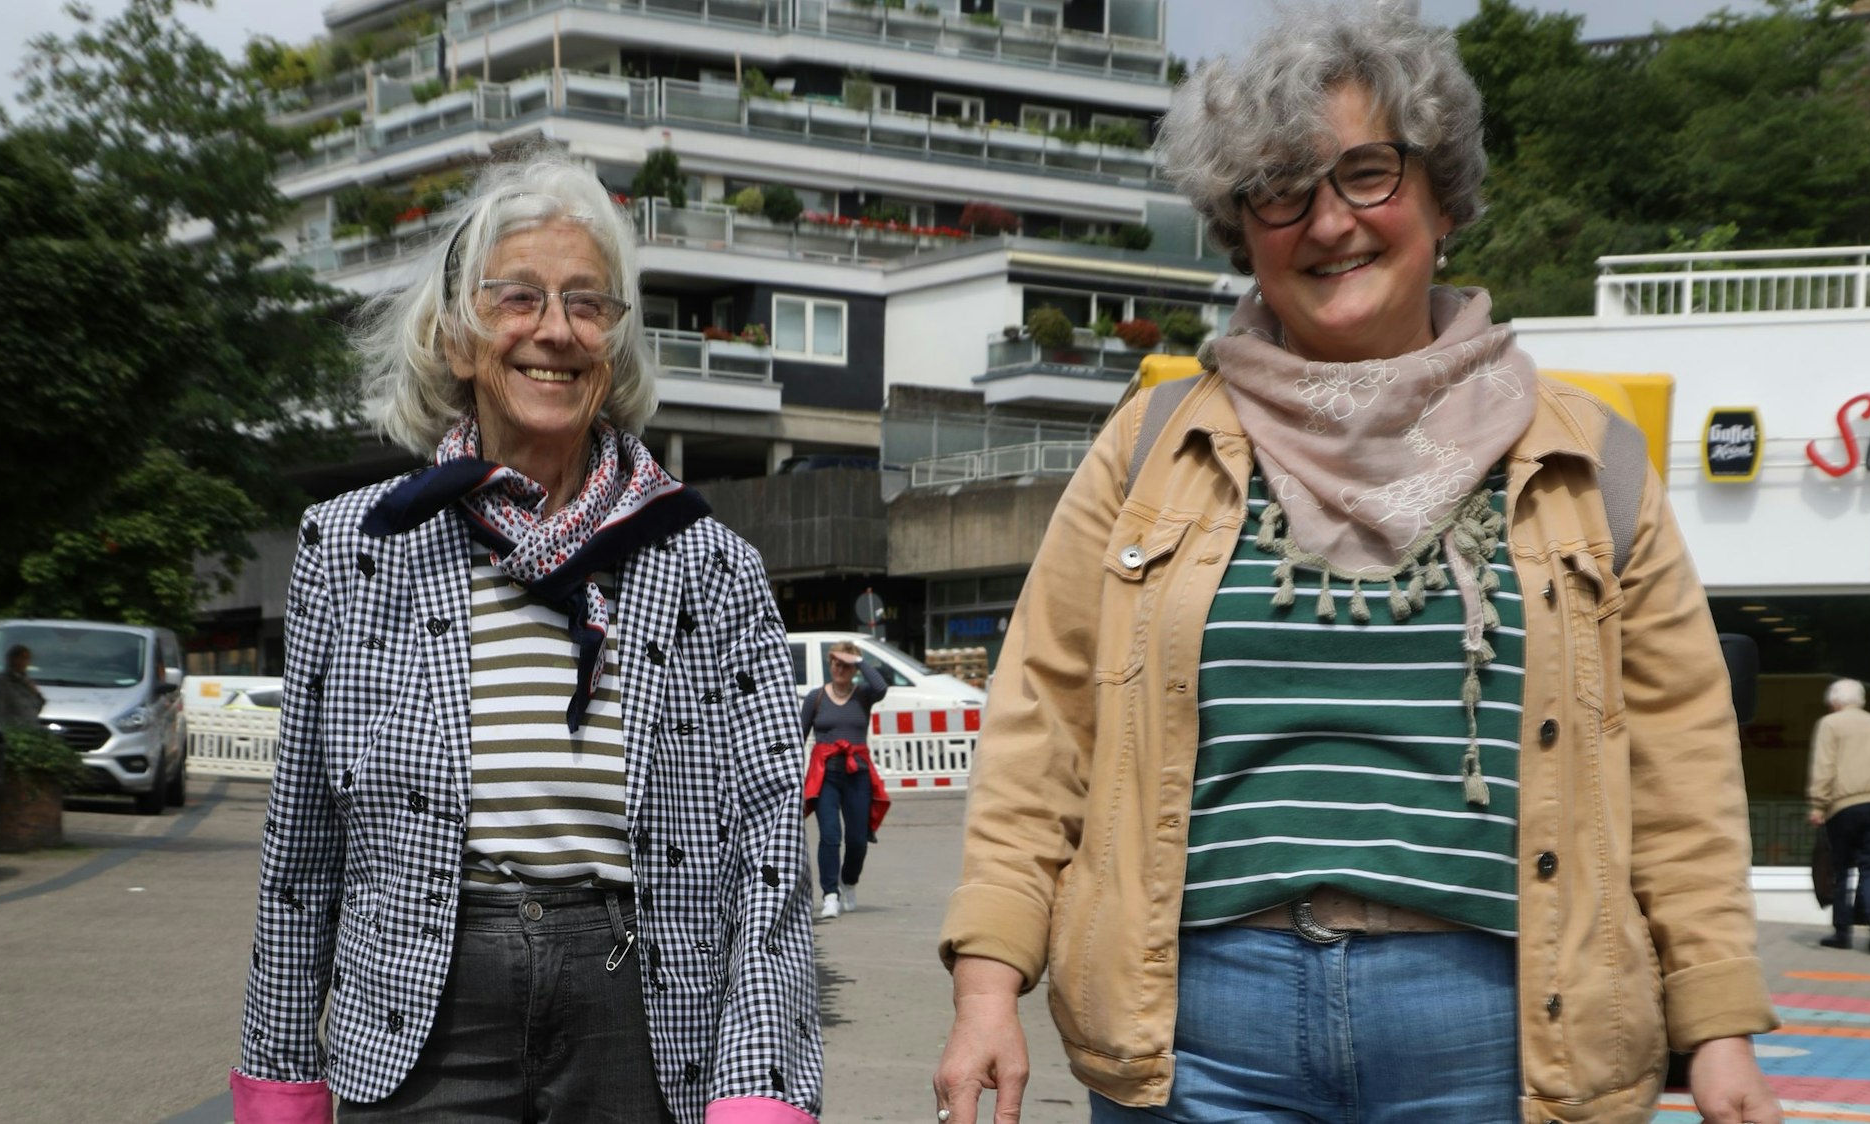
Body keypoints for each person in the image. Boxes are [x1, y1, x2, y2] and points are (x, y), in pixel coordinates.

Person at [932, 5, 1781, 1123]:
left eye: (1366, 173)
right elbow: (1041, 727)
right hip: (1199, 1033)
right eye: (1281, 189)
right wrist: (988, 985)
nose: (1329, 221)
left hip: (1499, 1031)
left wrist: (1714, 1029)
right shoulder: (1149, 446)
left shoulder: (1590, 458)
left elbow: (1681, 772)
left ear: (1442, 194)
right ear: (1245, 231)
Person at [231, 151, 822, 1124]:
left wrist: (756, 1080)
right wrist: (281, 1066)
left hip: (635, 1005)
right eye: (520, 297)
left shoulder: (707, 563)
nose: (556, 329)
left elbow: (766, 855)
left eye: (589, 304)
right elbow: (300, 851)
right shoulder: (354, 545)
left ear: (616, 346)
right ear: (460, 338)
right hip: (416, 1004)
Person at [1807, 678, 1870, 955]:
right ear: (1861, 700)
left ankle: (1842, 933)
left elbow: (1824, 766)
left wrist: (1818, 805)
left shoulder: (1831, 724)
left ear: (1834, 702)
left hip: (1844, 805)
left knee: (1841, 869)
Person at [799, 640, 889, 921]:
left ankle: (848, 882)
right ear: (830, 664)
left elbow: (881, 687)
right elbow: (798, 736)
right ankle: (830, 895)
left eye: (845, 664)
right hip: (826, 774)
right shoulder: (816, 698)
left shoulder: (863, 695)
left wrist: (858, 659)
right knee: (829, 835)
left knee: (857, 839)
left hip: (857, 774)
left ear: (853, 668)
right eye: (835, 663)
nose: (839, 668)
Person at [0, 645, 45, 728]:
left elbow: (38, 704)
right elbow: (1, 708)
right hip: (13, 728)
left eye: (27, 658)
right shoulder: (3, 681)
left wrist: (35, 692)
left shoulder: (27, 681)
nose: (24, 662)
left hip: (30, 727)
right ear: (12, 659)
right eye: (21, 658)